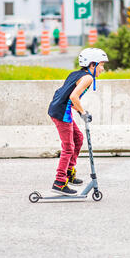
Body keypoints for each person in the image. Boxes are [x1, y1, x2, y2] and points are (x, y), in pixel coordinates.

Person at [47, 48, 109, 195]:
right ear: (92, 65)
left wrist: (82, 112)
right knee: (68, 147)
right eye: (101, 65)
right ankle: (59, 182)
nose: (103, 69)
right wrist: (83, 112)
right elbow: (74, 97)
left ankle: (69, 172)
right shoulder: (88, 78)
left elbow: (70, 98)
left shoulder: (76, 74)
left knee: (78, 138)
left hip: (59, 109)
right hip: (62, 113)